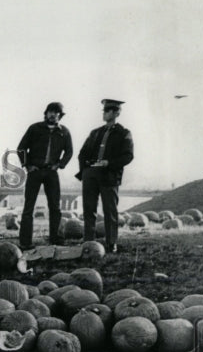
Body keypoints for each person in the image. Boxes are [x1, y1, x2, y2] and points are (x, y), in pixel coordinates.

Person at [76, 98, 134, 252]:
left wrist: (109, 163)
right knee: (88, 209)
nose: (104, 113)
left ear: (117, 112)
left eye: (108, 111)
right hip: (90, 174)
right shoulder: (95, 133)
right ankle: (88, 242)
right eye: (104, 110)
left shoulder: (124, 133)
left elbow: (128, 156)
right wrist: (85, 171)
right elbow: (82, 153)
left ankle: (111, 243)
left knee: (110, 210)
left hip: (109, 175)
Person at [16, 101, 74, 250]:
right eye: (50, 111)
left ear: (60, 116)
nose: (53, 114)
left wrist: (60, 164)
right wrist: (27, 165)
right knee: (29, 207)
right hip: (35, 171)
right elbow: (21, 148)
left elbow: (69, 152)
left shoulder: (64, 132)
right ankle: (25, 242)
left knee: (55, 207)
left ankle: (56, 239)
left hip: (51, 172)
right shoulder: (34, 128)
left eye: (56, 112)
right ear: (46, 113)